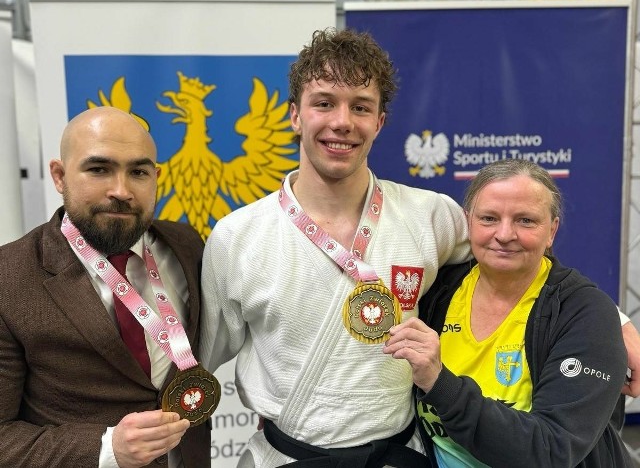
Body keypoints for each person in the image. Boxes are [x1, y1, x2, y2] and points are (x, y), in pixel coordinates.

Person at [199, 27, 471, 467]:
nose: (342, 122)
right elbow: (195, 358)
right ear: (295, 115)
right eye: (324, 102)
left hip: (396, 455)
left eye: (360, 107)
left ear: (379, 122)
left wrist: (610, 324)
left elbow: (513, 265)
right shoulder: (238, 236)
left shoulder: (431, 215)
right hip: (284, 458)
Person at [384, 158, 632, 467]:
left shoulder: (584, 314)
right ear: (467, 221)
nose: (504, 234)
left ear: (551, 230)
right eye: (488, 218)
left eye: (525, 220)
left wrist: (441, 385)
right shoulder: (438, 290)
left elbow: (551, 451)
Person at [0, 106, 210, 468]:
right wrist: (106, 448)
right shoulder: (10, 276)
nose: (121, 190)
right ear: (60, 175)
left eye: (139, 172)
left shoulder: (187, 245)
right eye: (99, 169)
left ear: (156, 176)